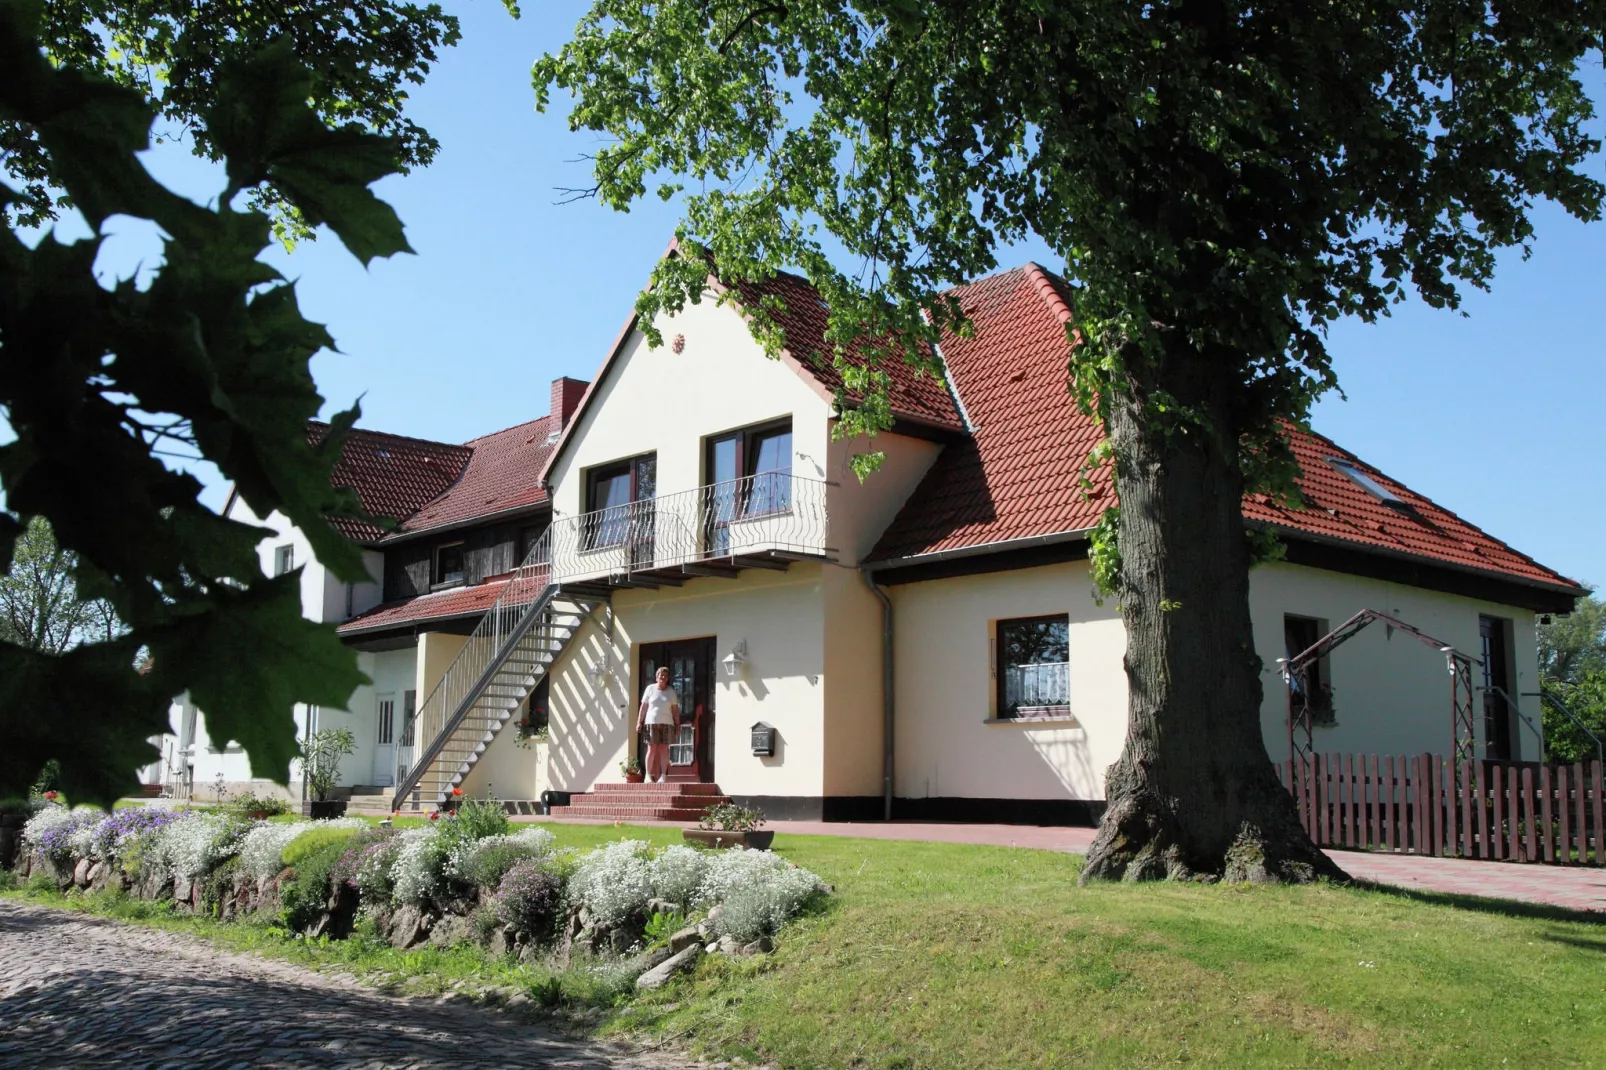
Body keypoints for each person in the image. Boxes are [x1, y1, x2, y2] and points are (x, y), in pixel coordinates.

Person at [636, 666, 680, 782]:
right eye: (661, 675)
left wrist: (678, 724)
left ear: (668, 678)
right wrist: (639, 722)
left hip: (667, 723)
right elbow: (644, 707)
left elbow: (675, 710)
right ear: (656, 677)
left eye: (665, 676)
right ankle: (648, 776)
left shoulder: (671, 692)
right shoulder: (650, 689)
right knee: (651, 748)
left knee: (664, 749)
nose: (663, 677)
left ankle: (663, 776)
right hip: (651, 722)